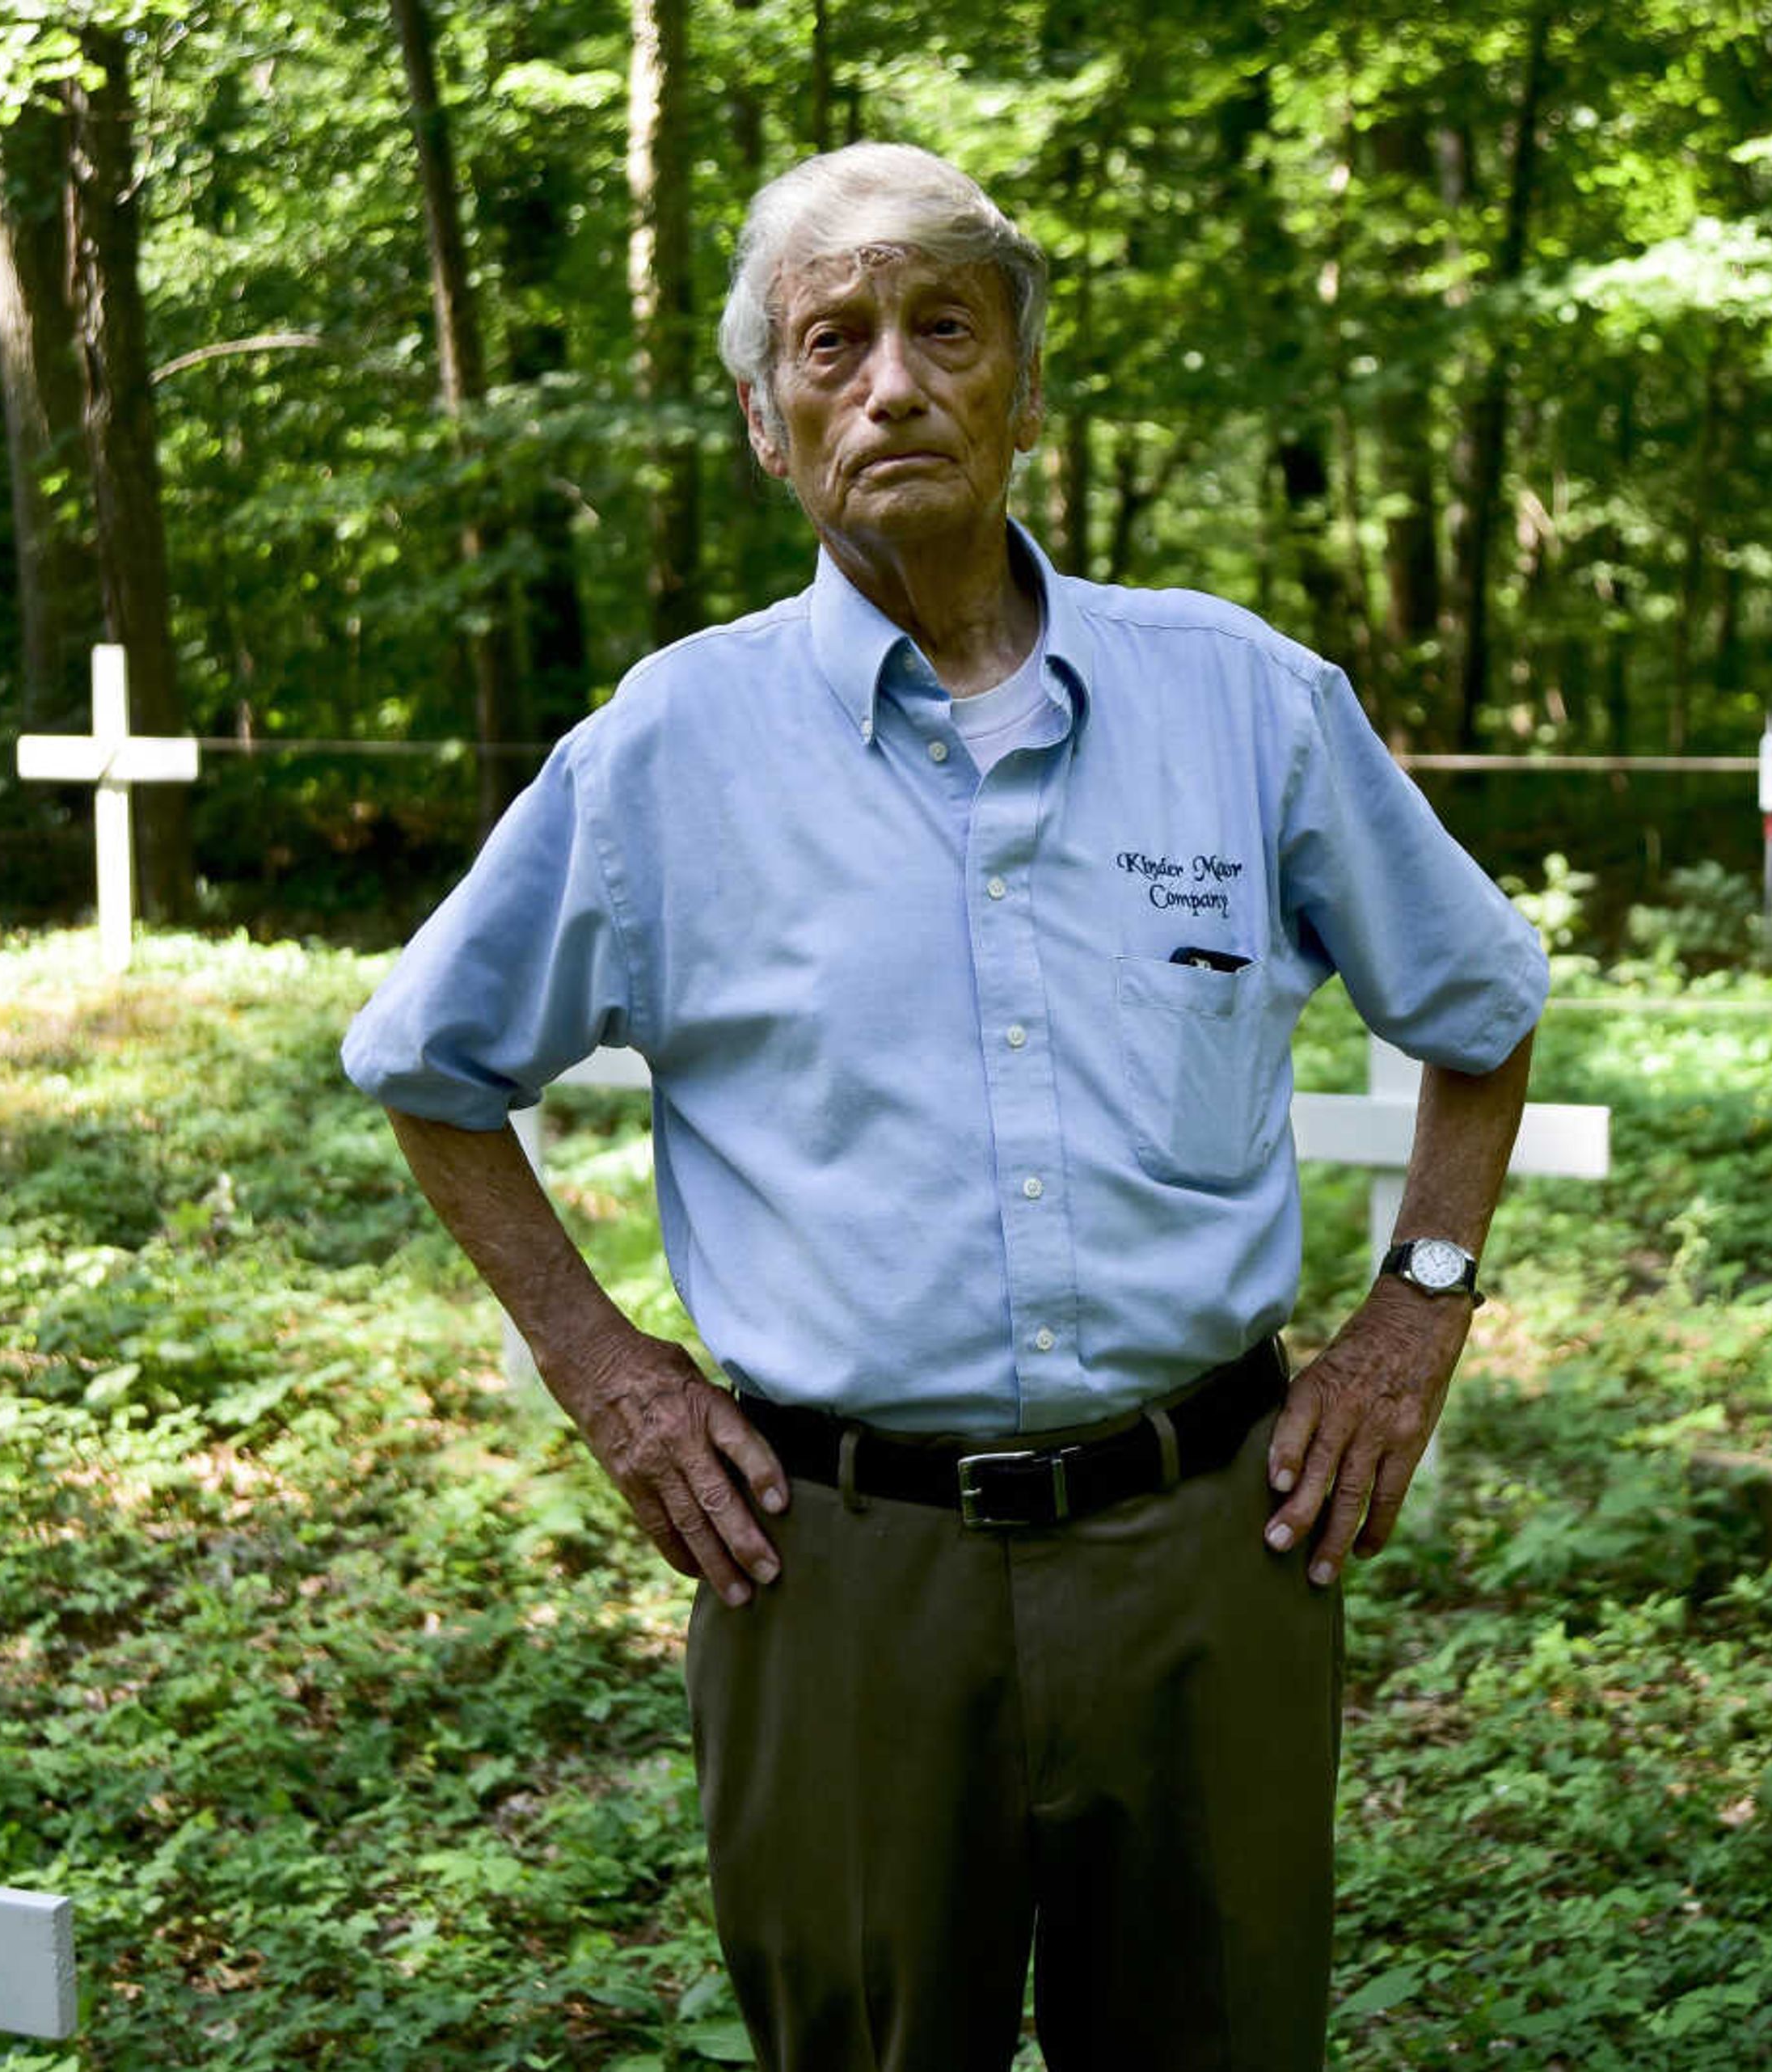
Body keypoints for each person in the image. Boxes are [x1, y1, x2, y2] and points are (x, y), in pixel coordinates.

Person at [343, 141, 1548, 2072]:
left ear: (1022, 385)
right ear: (764, 417)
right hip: (837, 1573)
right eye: (833, 344)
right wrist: (606, 1367)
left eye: (942, 329)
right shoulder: (668, 746)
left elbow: (1480, 1011)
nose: (890, 383)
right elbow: (427, 1068)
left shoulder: (1245, 700)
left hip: (1211, 1549)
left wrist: (1416, 1310)